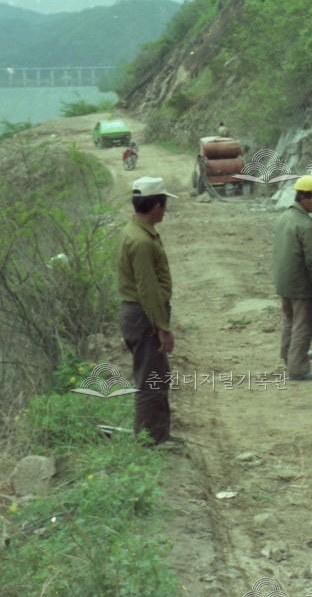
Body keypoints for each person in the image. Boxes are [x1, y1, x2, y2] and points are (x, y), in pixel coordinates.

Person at [118, 176, 177, 446]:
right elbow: (148, 290)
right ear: (155, 205)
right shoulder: (141, 241)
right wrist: (163, 327)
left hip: (141, 314)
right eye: (164, 205)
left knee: (157, 377)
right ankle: (148, 441)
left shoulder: (137, 232)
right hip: (143, 316)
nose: (165, 210)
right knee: (150, 381)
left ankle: (159, 435)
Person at [272, 175, 312, 381]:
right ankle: (298, 369)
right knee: (303, 325)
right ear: (305, 197)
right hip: (300, 285)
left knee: (289, 321)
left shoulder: (284, 218)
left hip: (284, 282)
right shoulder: (305, 225)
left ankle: (288, 358)